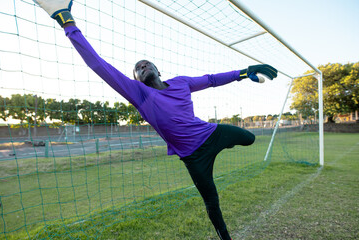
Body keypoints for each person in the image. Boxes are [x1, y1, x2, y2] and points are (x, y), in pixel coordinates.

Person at [33, 1, 278, 239]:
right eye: (138, 69)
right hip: (193, 157)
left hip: (212, 134)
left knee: (249, 138)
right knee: (212, 202)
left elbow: (211, 79)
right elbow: (98, 64)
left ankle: (226, 144)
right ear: (137, 80)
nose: (142, 67)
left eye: (146, 64)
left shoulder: (182, 83)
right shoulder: (139, 94)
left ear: (158, 70)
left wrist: (243, 73)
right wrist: (68, 23)